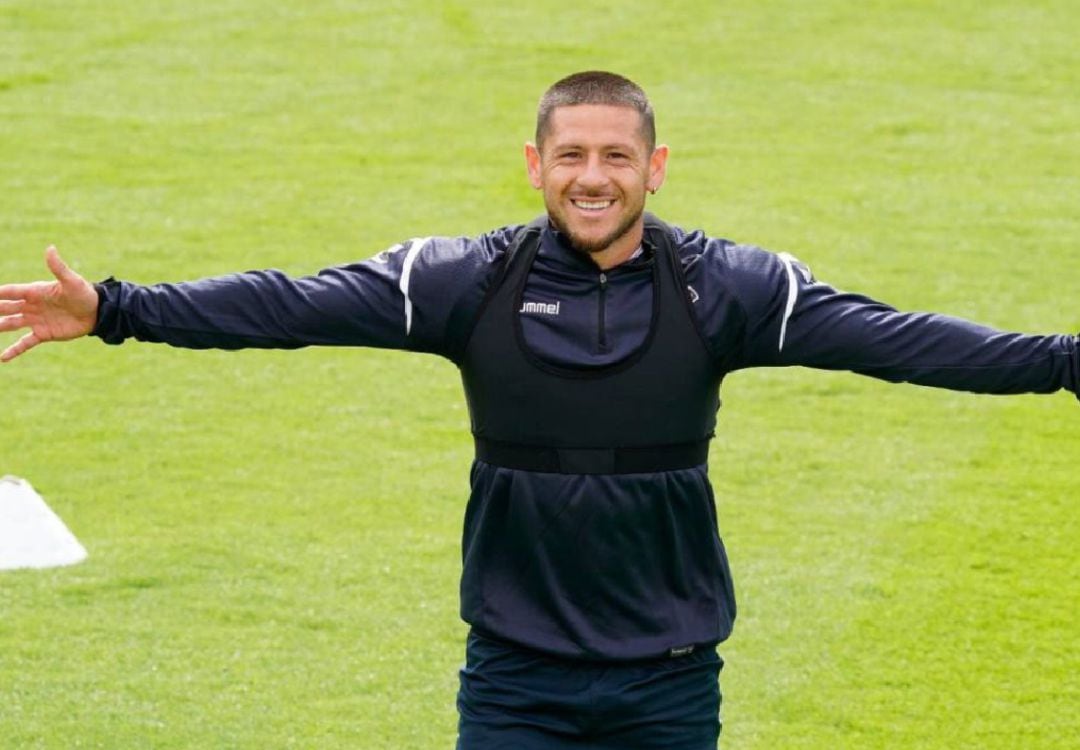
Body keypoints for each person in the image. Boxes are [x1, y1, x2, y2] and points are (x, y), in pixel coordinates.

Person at [1, 71, 1076, 749]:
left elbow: (908, 342)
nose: (593, 176)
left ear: (654, 166)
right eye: (572, 155)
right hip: (513, 680)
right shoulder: (462, 281)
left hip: (668, 681)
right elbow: (292, 303)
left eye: (616, 156)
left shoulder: (731, 290)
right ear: (535, 166)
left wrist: (1067, 363)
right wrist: (117, 311)